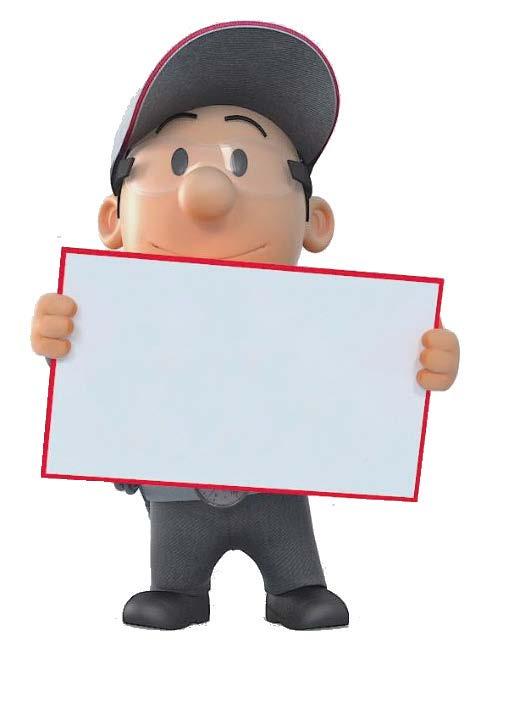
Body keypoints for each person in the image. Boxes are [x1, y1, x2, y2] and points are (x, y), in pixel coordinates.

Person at [30, 22, 460, 631]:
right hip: (177, 495)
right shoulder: (117, 318)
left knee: (299, 571)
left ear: (315, 221)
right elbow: (100, 389)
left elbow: (359, 384)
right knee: (172, 578)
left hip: (277, 490)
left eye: (241, 162)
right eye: (179, 162)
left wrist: (414, 361)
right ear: (112, 220)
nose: (207, 193)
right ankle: (180, 590)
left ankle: (295, 588)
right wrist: (64, 343)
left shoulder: (326, 325)